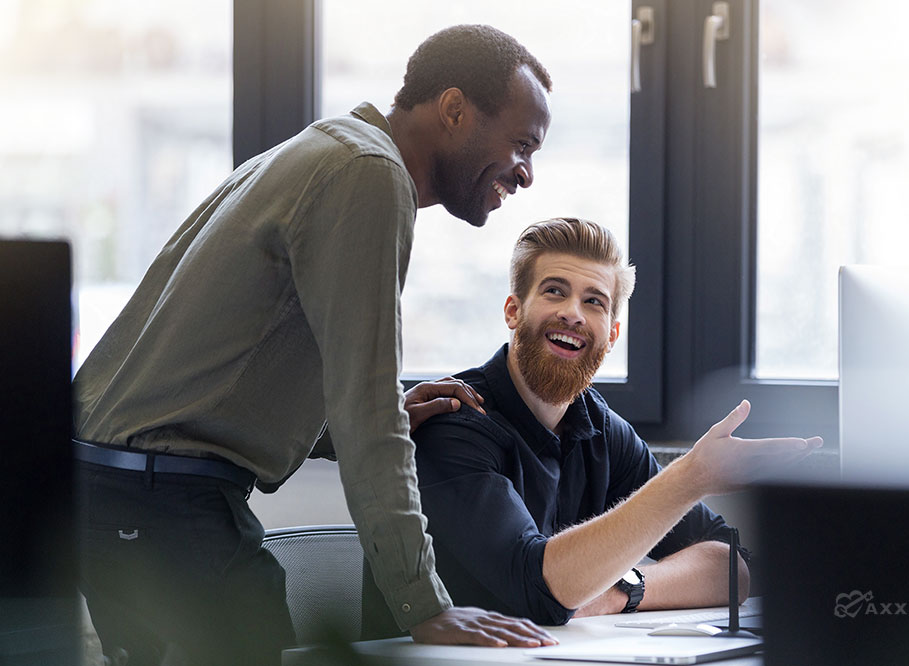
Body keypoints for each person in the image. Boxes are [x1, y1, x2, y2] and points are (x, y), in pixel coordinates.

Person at [73, 24, 555, 666]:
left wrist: (346, 422)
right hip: (161, 501)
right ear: (453, 110)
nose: (525, 174)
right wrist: (426, 606)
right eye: (522, 144)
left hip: (120, 492)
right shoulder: (370, 175)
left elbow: (239, 362)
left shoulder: (327, 150)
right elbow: (367, 410)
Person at [402, 217, 823, 626]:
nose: (573, 313)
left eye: (594, 301)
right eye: (554, 291)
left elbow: (734, 565)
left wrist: (622, 589)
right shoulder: (453, 419)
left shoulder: (601, 428)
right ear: (514, 310)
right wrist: (689, 477)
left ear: (612, 334)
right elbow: (540, 590)